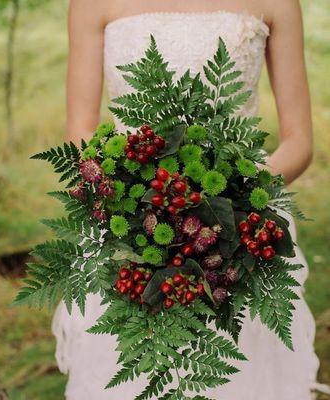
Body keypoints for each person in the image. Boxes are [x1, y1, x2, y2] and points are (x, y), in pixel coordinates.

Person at [52, 1, 328, 399]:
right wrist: (136, 204)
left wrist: (238, 200)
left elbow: (299, 140)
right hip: (130, 226)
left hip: (239, 230)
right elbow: (80, 139)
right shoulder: (92, 5)